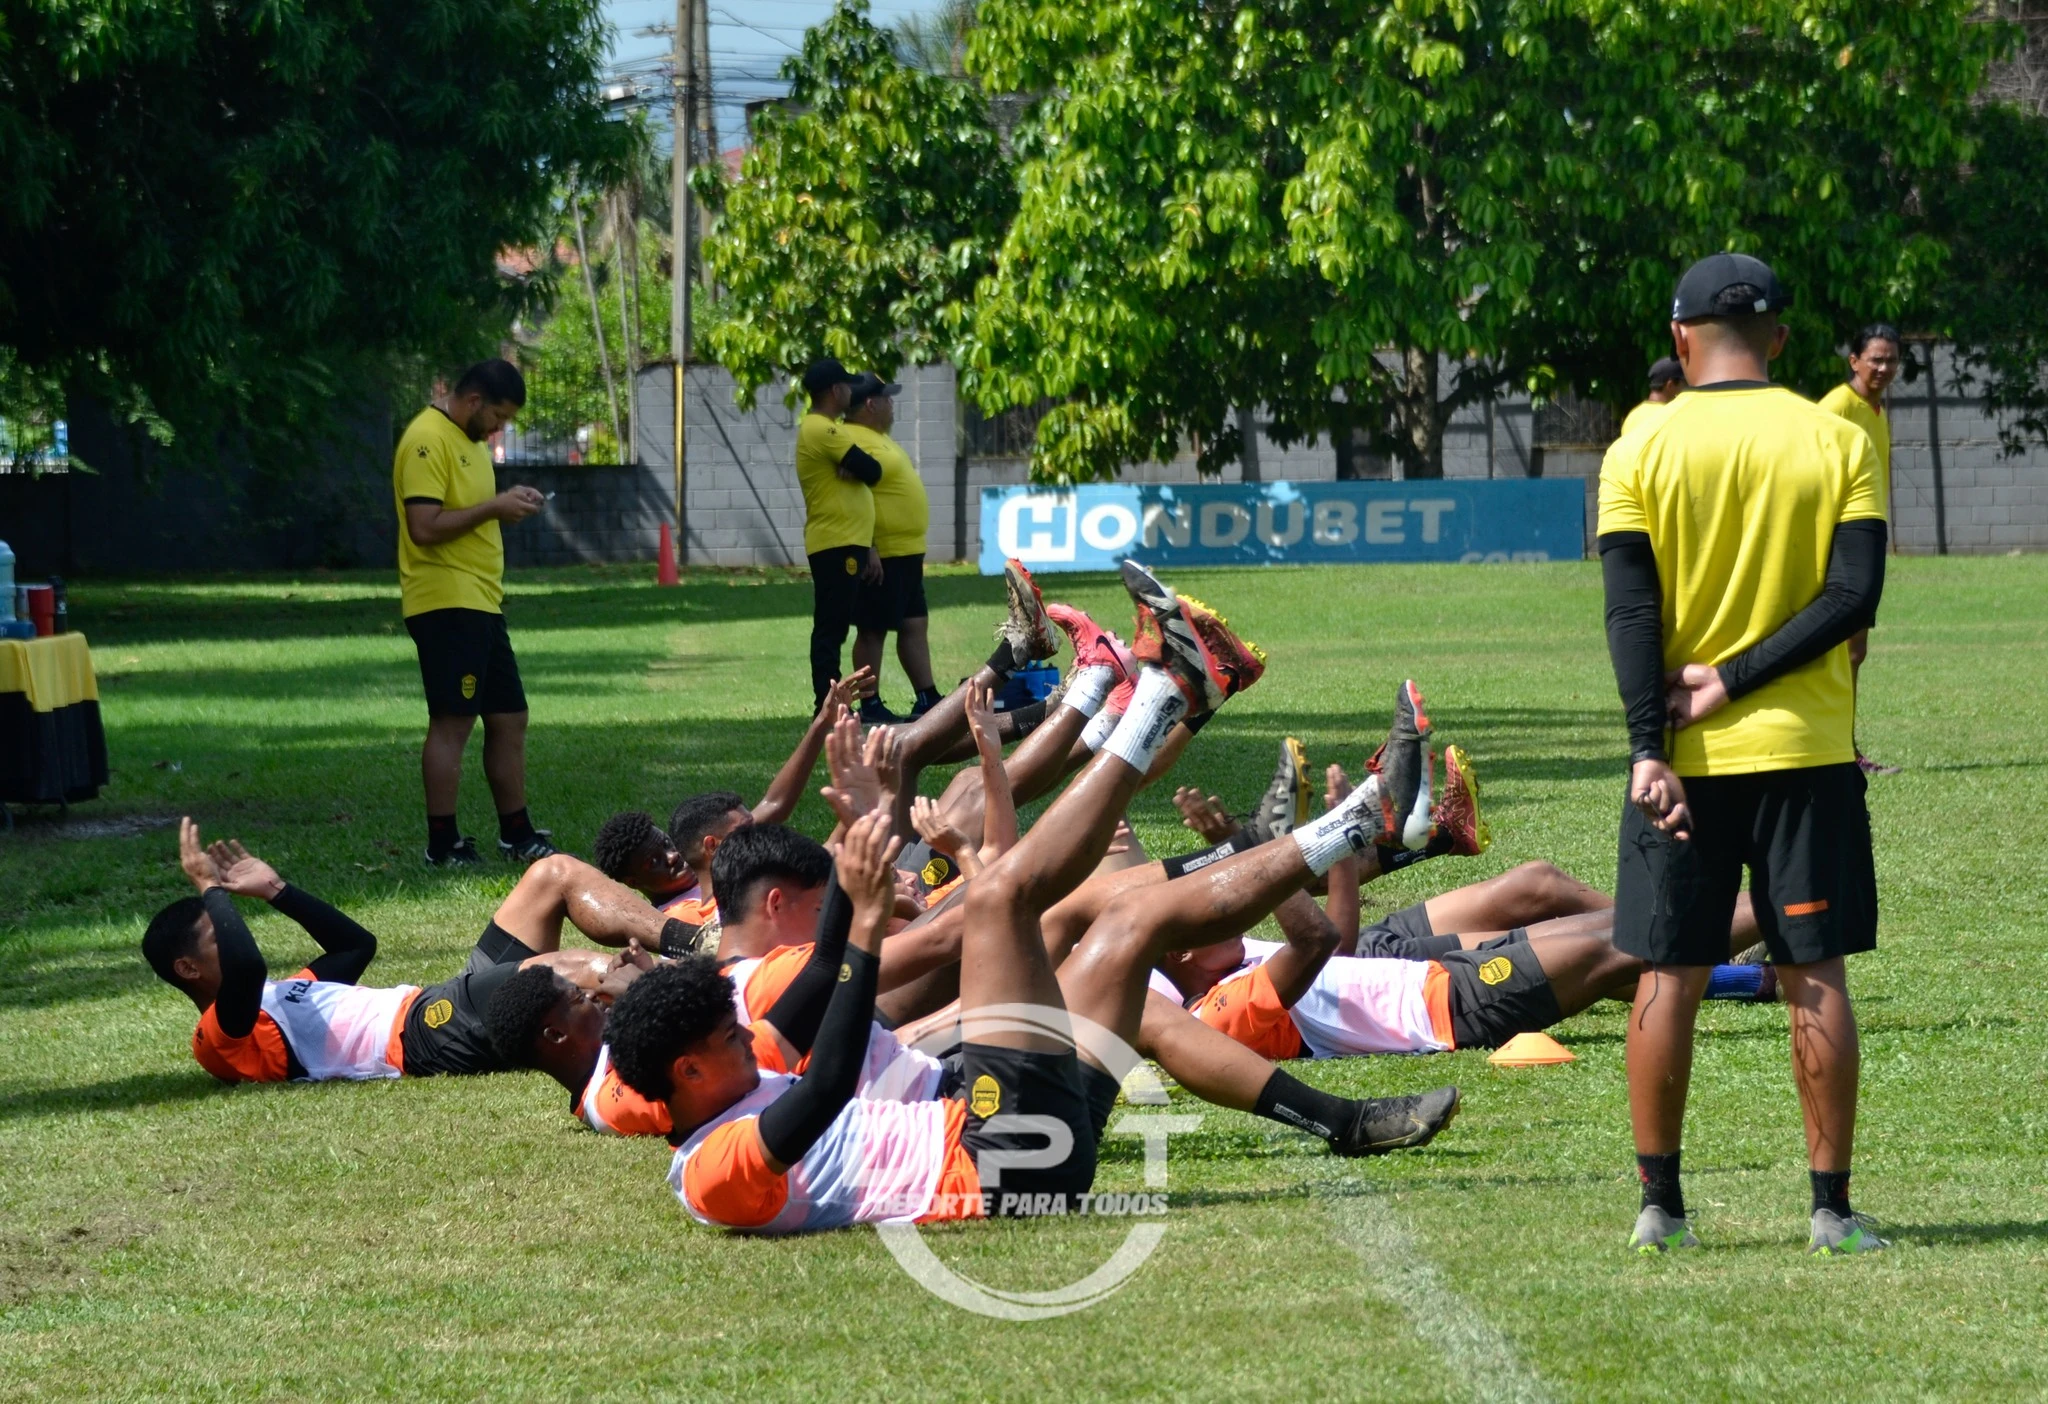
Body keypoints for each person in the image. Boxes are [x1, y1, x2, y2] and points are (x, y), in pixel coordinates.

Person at [603, 563, 1455, 1231]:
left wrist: (862, 878)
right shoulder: (711, 1171)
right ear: (686, 1073)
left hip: (1025, 1135)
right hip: (997, 1152)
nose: (746, 1045)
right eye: (726, 1040)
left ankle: (1359, 827)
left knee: (1130, 919)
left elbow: (826, 983)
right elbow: (825, 1085)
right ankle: (1162, 692)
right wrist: (866, 915)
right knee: (1006, 894)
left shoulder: (738, 1057)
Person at [1599, 253, 1887, 1256]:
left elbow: (1631, 613)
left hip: (1675, 760)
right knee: (1813, 973)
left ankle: (1659, 1210)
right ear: (1776, 338)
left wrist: (1649, 743)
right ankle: (1828, 1213)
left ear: (1680, 339)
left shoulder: (1639, 443)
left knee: (1666, 972)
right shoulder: (1830, 433)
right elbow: (1852, 598)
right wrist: (1742, 676)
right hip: (1805, 753)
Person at [141, 819, 682, 1083]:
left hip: (436, 1005)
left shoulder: (278, 997)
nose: (232, 929)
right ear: (187, 968)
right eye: (218, 929)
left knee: (552, 874)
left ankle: (694, 943)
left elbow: (356, 945)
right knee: (556, 975)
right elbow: (245, 964)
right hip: (422, 1036)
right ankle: (689, 1003)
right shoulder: (219, 1034)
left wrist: (277, 891)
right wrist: (209, 890)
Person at [393, 358, 557, 867]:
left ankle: (517, 832)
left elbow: (466, 514)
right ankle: (443, 844)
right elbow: (424, 525)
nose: (499, 429)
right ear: (472, 401)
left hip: (482, 601)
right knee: (453, 723)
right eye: (499, 417)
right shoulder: (426, 439)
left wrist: (505, 502)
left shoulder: (470, 444)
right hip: (446, 602)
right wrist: (493, 508)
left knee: (510, 718)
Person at [1817, 323, 1904, 776]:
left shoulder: (1874, 409)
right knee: (1838, 648)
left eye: (1891, 359)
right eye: (1876, 359)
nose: (1884, 367)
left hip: (1866, 538)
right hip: (1840, 540)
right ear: (1854, 361)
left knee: (1854, 650)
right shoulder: (1837, 406)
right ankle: (1833, 750)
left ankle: (1842, 748)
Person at [841, 373, 937, 722]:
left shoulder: (877, 439)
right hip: (884, 553)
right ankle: (869, 704)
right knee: (872, 628)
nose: (892, 404)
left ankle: (926, 697)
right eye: (887, 398)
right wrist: (868, 547)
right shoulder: (851, 439)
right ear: (870, 404)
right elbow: (849, 497)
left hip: (907, 552)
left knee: (914, 624)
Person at [794, 358, 883, 712]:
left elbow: (864, 471)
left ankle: (836, 704)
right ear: (836, 391)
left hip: (845, 541)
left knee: (836, 626)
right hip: (836, 543)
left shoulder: (825, 428)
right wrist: (857, 467)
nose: (851, 391)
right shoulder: (821, 428)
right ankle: (827, 706)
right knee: (831, 629)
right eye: (847, 385)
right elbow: (872, 470)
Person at [1620, 357, 1687, 436]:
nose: (1685, 388)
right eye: (1684, 383)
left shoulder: (1632, 416)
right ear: (1670, 385)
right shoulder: (1672, 416)